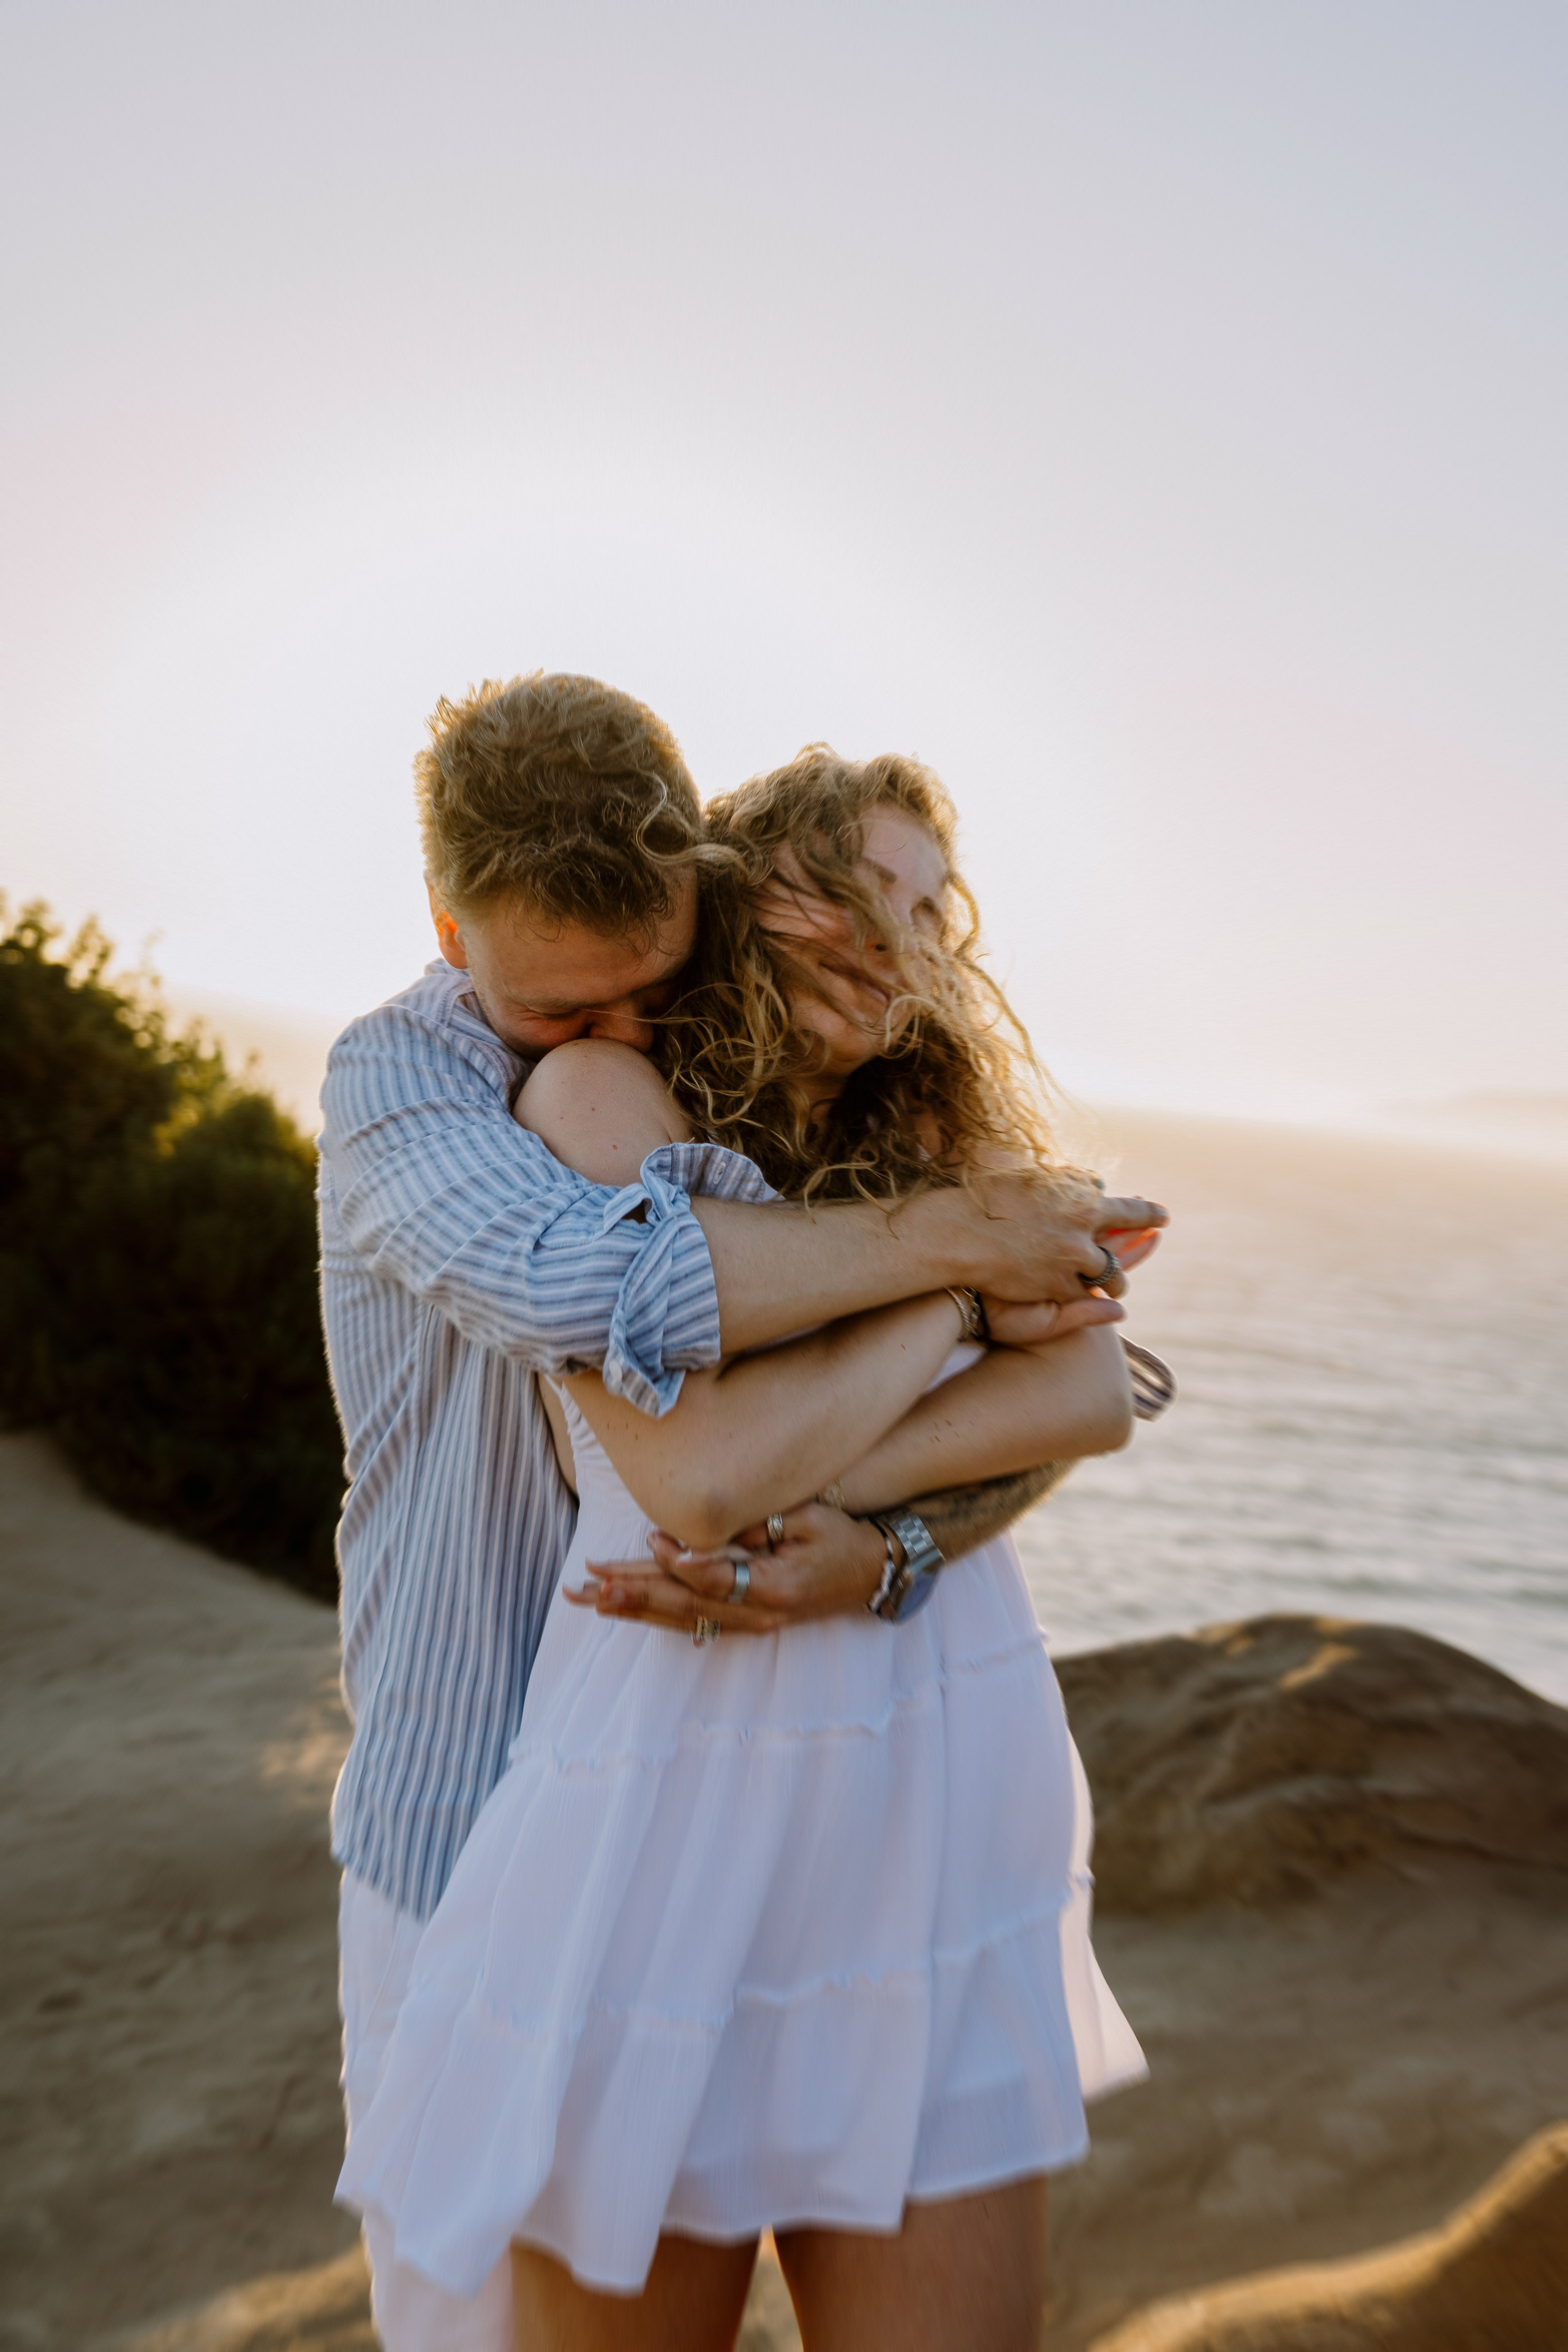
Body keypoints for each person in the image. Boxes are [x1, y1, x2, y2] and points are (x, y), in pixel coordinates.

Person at [320, 674, 1164, 2352]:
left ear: (687, 908)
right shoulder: (488, 1093)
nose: (890, 934)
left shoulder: (927, 1119)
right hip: (541, 1796)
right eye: (851, 885)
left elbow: (1102, 1386)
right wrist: (955, 1297)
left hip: (921, 1807)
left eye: (930, 903)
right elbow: (691, 1456)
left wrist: (895, 1541)